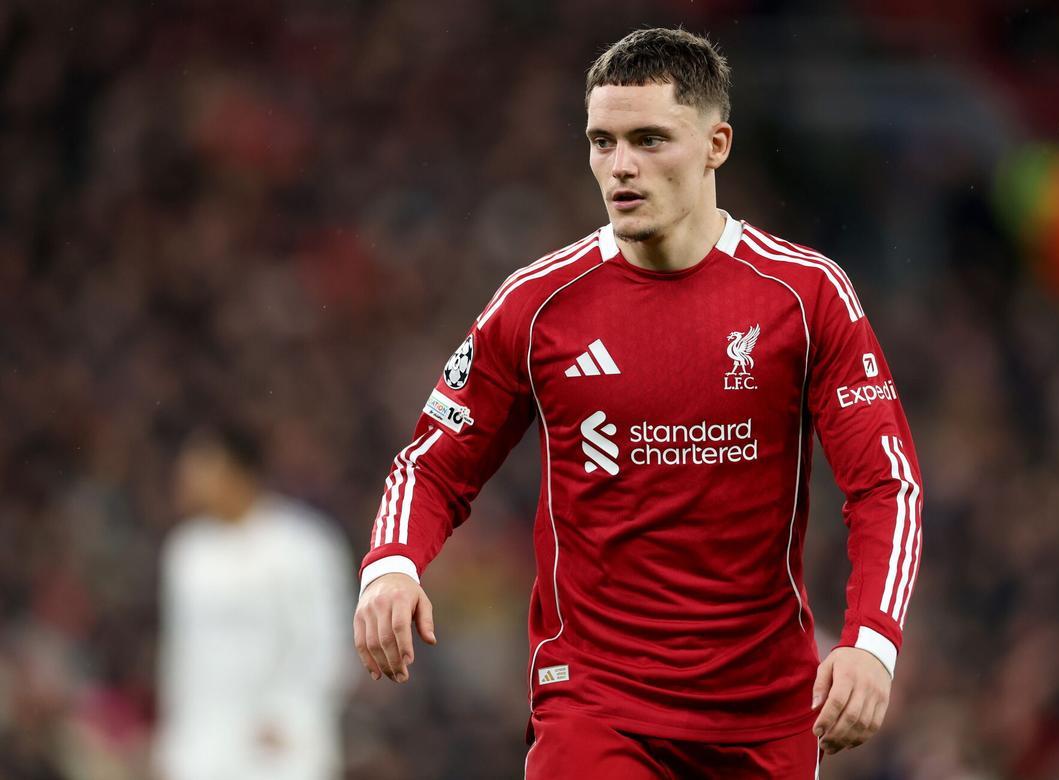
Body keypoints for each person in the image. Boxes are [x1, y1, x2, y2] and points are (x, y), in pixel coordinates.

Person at [354, 27, 923, 778]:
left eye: (650, 139)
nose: (620, 166)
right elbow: (433, 465)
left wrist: (871, 644)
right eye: (602, 141)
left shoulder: (805, 295)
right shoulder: (538, 304)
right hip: (597, 703)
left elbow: (887, 485)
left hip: (763, 711)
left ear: (716, 143)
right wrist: (391, 566)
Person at [155, 422, 355, 780]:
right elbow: (181, 653)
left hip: (281, 743)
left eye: (203, 467)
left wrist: (292, 714)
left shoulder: (303, 545)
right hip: (203, 743)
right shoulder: (186, 553)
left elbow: (327, 642)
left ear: (239, 471)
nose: (189, 478)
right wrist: (171, 741)